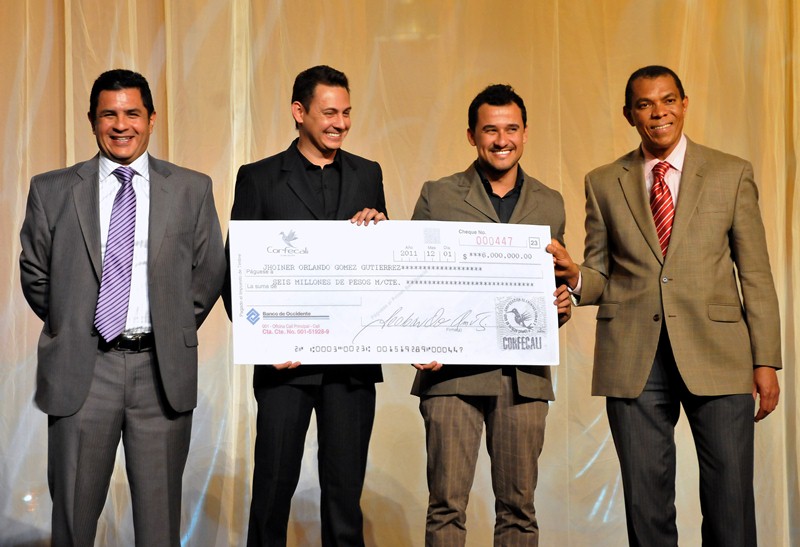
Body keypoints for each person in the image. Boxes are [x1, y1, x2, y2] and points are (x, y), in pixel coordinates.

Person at [548, 65, 782, 546]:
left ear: (684, 103)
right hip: (633, 357)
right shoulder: (602, 181)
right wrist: (575, 277)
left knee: (730, 499)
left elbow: (755, 273)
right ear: (629, 114)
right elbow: (600, 274)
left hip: (719, 353)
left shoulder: (731, 172)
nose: (659, 112)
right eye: (645, 104)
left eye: (668, 100)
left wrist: (765, 361)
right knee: (646, 504)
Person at [19, 69, 226, 546]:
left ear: (152, 119)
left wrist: (169, 328)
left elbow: (208, 272)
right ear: (92, 121)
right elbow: (35, 274)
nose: (121, 125)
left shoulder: (191, 188)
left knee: (159, 527)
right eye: (108, 114)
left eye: (132, 113)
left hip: (160, 374)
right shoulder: (52, 189)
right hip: (83, 370)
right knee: (73, 522)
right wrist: (74, 327)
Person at [222, 65, 387, 547]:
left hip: (352, 367)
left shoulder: (368, 174)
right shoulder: (258, 178)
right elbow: (236, 273)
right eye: (329, 112)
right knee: (272, 492)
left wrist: (381, 229)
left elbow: (382, 268)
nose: (341, 123)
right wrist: (262, 343)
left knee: (345, 498)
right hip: (285, 366)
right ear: (299, 112)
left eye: (347, 112)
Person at [411, 84, 571, 546]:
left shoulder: (550, 201)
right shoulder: (439, 195)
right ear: (472, 136)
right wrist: (414, 338)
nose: (502, 140)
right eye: (490, 130)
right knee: (446, 506)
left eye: (512, 129)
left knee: (519, 511)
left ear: (525, 132)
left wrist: (561, 304)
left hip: (522, 376)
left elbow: (550, 286)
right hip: (451, 374)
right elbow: (413, 278)